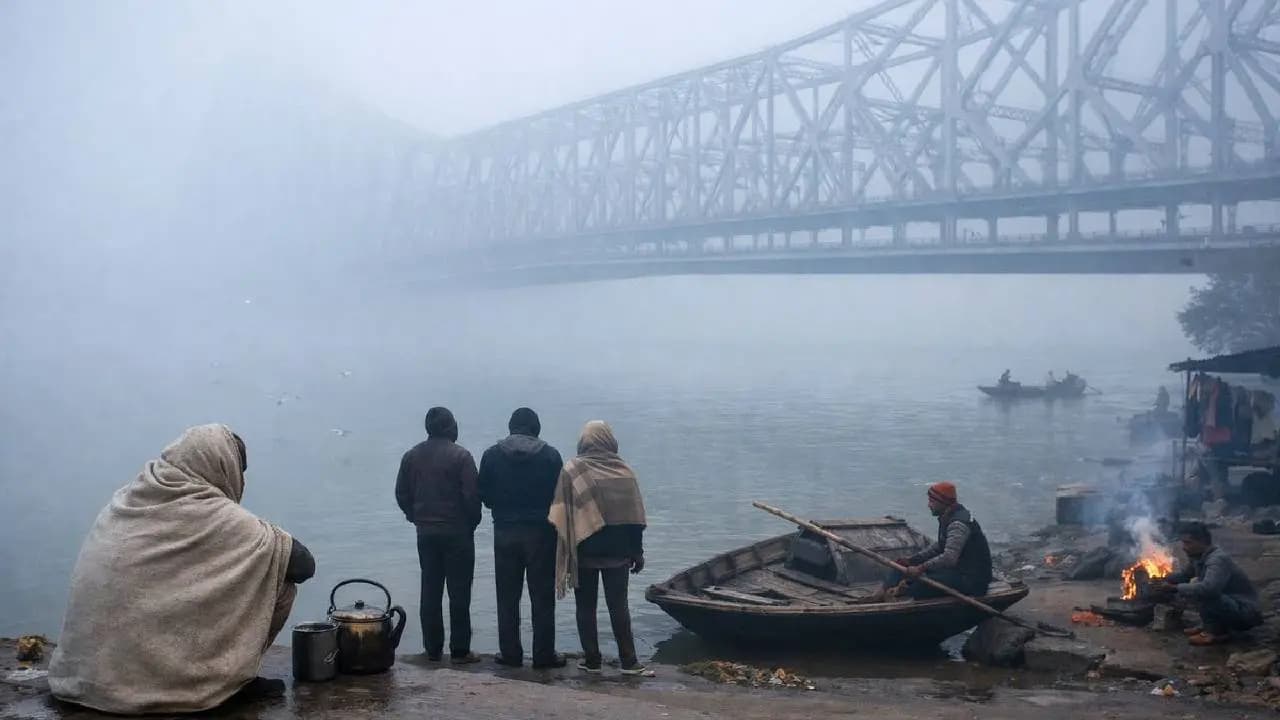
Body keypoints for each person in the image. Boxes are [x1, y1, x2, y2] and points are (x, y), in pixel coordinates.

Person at [48, 425, 315, 714]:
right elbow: (303, 566)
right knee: (278, 583)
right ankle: (228, 683)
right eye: (240, 470)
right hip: (155, 694)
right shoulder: (220, 518)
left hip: (78, 681)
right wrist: (265, 535)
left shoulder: (123, 502)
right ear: (221, 466)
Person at [549, 420, 652, 677]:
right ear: (609, 440)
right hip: (619, 553)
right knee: (619, 606)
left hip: (584, 552)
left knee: (585, 608)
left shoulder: (572, 470)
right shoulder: (624, 472)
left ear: (584, 441)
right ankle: (629, 662)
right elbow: (635, 519)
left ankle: (592, 660)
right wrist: (637, 553)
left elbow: (562, 513)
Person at [478, 407, 566, 669]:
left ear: (511, 427)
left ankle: (510, 654)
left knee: (507, 596)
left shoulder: (492, 456)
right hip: (541, 533)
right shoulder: (550, 456)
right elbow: (559, 497)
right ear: (536, 428)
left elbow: (484, 493)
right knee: (542, 597)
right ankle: (543, 655)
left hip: (504, 531)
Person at [395, 407, 481, 664]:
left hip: (426, 533)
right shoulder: (462, 457)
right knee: (459, 593)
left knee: (430, 590)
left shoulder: (411, 456)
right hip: (457, 533)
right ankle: (459, 650)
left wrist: (415, 517)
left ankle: (432, 650)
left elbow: (401, 494)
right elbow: (472, 498)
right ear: (450, 427)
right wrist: (470, 524)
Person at [1149, 522, 1261, 646]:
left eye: (1188, 543)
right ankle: (1209, 626)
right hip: (1230, 603)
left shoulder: (1217, 560)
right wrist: (1162, 578)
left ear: (1202, 542)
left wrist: (1173, 588)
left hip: (1245, 613)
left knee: (1203, 589)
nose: (1183, 547)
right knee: (1196, 586)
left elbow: (1210, 589)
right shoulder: (1198, 557)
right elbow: (1184, 576)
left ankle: (1217, 633)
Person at [879, 481, 991, 600]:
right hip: (956, 571)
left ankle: (897, 595)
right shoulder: (948, 517)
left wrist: (921, 568)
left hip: (971, 580)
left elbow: (949, 557)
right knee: (900, 566)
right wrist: (912, 560)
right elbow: (939, 547)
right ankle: (882, 594)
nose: (929, 505)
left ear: (943, 503)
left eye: (932, 501)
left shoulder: (958, 524)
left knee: (918, 586)